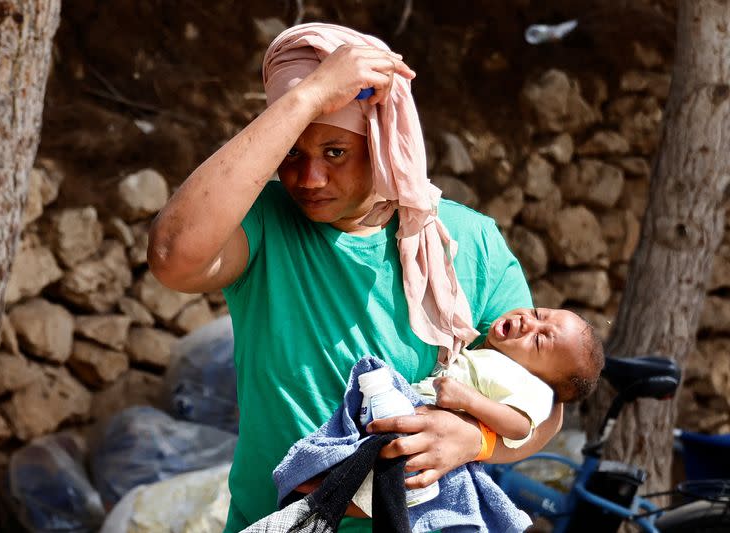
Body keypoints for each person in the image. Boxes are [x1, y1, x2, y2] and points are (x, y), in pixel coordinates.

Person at [147, 22, 564, 533]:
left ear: (383, 140)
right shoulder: (262, 223)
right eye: (292, 154)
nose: (309, 178)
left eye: (335, 152)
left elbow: (543, 409)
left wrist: (475, 440)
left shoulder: (467, 242)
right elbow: (173, 253)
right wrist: (310, 96)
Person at [414, 307, 605, 449]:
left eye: (538, 340)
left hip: (429, 427)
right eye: (537, 314)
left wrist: (469, 399)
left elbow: (520, 427)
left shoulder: (529, 386)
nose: (528, 322)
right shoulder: (489, 350)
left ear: (537, 379)